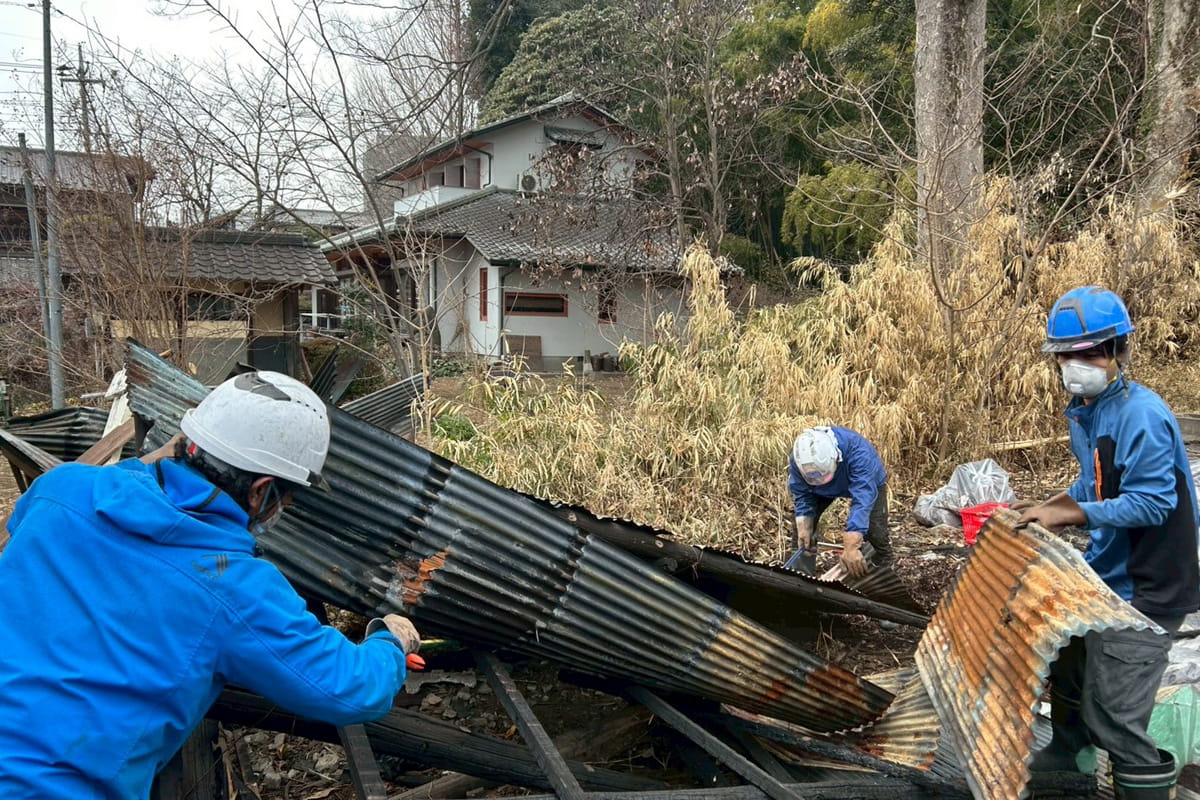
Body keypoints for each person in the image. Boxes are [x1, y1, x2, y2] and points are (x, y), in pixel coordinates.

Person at [0, 371, 421, 800]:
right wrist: (391, 640)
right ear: (260, 492)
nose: (287, 505)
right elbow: (348, 689)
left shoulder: (59, 490)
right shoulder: (233, 587)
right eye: (288, 496)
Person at [1019, 286, 1199, 799]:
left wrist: (1071, 512)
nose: (1077, 364)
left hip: (1149, 584)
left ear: (1119, 351)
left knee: (1115, 716)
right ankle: (1068, 761)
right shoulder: (1088, 408)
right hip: (1109, 572)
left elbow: (1152, 503)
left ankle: (1140, 782)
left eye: (1090, 353)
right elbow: (1094, 484)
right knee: (1069, 660)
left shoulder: (1140, 414)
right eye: (1066, 355)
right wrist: (1046, 508)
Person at [785, 426, 891, 578]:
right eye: (815, 479)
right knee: (802, 534)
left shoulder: (860, 455)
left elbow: (863, 499)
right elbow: (801, 492)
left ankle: (881, 572)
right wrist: (804, 522)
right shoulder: (800, 460)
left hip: (866, 482)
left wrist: (852, 544)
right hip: (817, 490)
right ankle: (801, 577)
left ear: (835, 458)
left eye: (824, 477)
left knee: (876, 533)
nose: (822, 481)